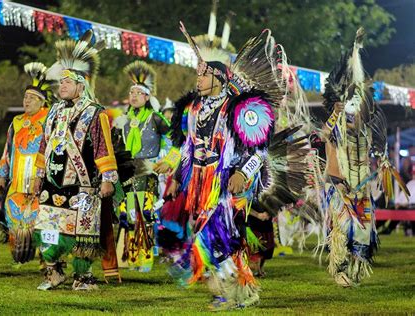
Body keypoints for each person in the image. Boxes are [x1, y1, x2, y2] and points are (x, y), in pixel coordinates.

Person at [166, 23, 310, 310]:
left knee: (218, 236)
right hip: (202, 184)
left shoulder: (240, 109)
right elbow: (188, 148)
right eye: (197, 73)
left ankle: (224, 289)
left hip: (232, 183)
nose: (198, 79)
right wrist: (177, 178)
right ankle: (239, 292)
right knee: (222, 241)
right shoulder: (193, 109)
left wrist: (243, 172)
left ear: (218, 76)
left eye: (203, 74)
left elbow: (259, 149)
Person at [321, 28, 409, 287]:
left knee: (364, 229)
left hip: (362, 186)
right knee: (344, 226)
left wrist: (383, 161)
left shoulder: (368, 130)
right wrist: (336, 116)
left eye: (356, 107)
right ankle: (338, 269)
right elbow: (324, 135)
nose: (353, 113)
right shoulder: (336, 126)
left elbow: (378, 152)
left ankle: (357, 266)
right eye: (349, 106)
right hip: (339, 185)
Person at [33, 32, 120, 290]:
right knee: (49, 229)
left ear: (81, 85)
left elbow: (104, 146)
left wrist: (107, 180)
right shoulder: (54, 112)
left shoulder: (95, 113)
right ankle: (54, 271)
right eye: (60, 82)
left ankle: (83, 277)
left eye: (67, 83)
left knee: (82, 234)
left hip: (84, 185)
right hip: (53, 183)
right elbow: (44, 144)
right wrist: (39, 176)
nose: (61, 86)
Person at [115, 61, 176, 272]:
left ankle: (146, 258)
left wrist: (166, 160)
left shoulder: (155, 118)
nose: (134, 96)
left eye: (139, 92)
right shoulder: (124, 119)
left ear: (147, 97)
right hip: (126, 170)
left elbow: (174, 139)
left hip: (147, 169)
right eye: (131, 92)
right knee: (128, 214)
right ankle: (131, 258)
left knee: (145, 213)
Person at [0, 62, 55, 263]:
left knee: (40, 217)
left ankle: (45, 258)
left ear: (42, 102)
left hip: (41, 179)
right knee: (14, 215)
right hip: (17, 180)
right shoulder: (17, 121)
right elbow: (8, 150)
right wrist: (2, 175)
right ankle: (21, 253)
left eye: (32, 98)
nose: (27, 101)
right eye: (25, 97)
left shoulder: (50, 119)